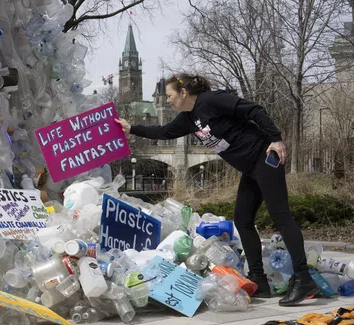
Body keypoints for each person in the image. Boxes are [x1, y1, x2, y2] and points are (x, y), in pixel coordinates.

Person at [115, 73, 319, 306]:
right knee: (242, 220)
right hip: (249, 169)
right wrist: (131, 128)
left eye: (170, 95)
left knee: (281, 217)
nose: (168, 100)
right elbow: (162, 132)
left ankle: (303, 278)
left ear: (183, 93)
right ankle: (259, 280)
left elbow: (254, 110)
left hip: (264, 158)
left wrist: (277, 139)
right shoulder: (188, 119)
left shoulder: (211, 100)